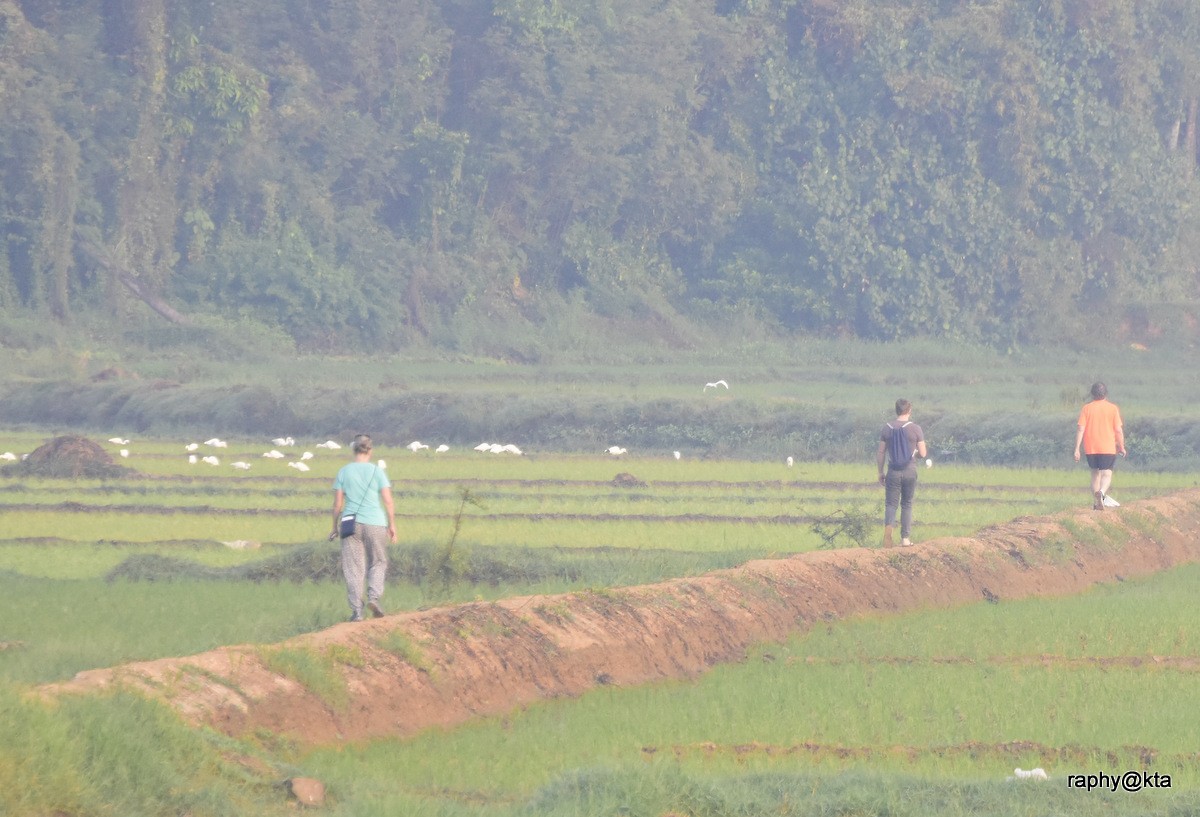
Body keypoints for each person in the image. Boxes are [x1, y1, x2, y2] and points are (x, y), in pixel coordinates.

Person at [330, 434, 397, 621]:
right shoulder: (377, 472)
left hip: (350, 522)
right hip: (375, 521)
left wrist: (334, 527)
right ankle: (374, 597)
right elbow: (388, 501)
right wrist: (392, 525)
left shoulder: (344, 471)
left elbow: (337, 505)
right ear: (370, 451)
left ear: (354, 450)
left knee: (353, 567)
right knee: (378, 561)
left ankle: (357, 612)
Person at [876, 398, 927, 547]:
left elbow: (881, 453)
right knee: (907, 503)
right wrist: (915, 454)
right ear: (909, 411)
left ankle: (888, 530)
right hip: (910, 471)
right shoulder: (916, 429)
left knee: (891, 504)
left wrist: (880, 472)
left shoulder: (886, 428)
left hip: (893, 472)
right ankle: (905, 539)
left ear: (896, 410)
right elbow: (923, 453)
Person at [1073, 382, 1126, 510]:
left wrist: (1077, 449)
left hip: (1091, 447)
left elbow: (1081, 428)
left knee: (1095, 474)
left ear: (1092, 394)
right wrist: (1121, 446)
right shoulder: (1112, 408)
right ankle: (1101, 493)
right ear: (1105, 394)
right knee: (1106, 474)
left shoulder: (1087, 408)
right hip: (1107, 446)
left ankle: (1097, 502)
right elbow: (1118, 430)